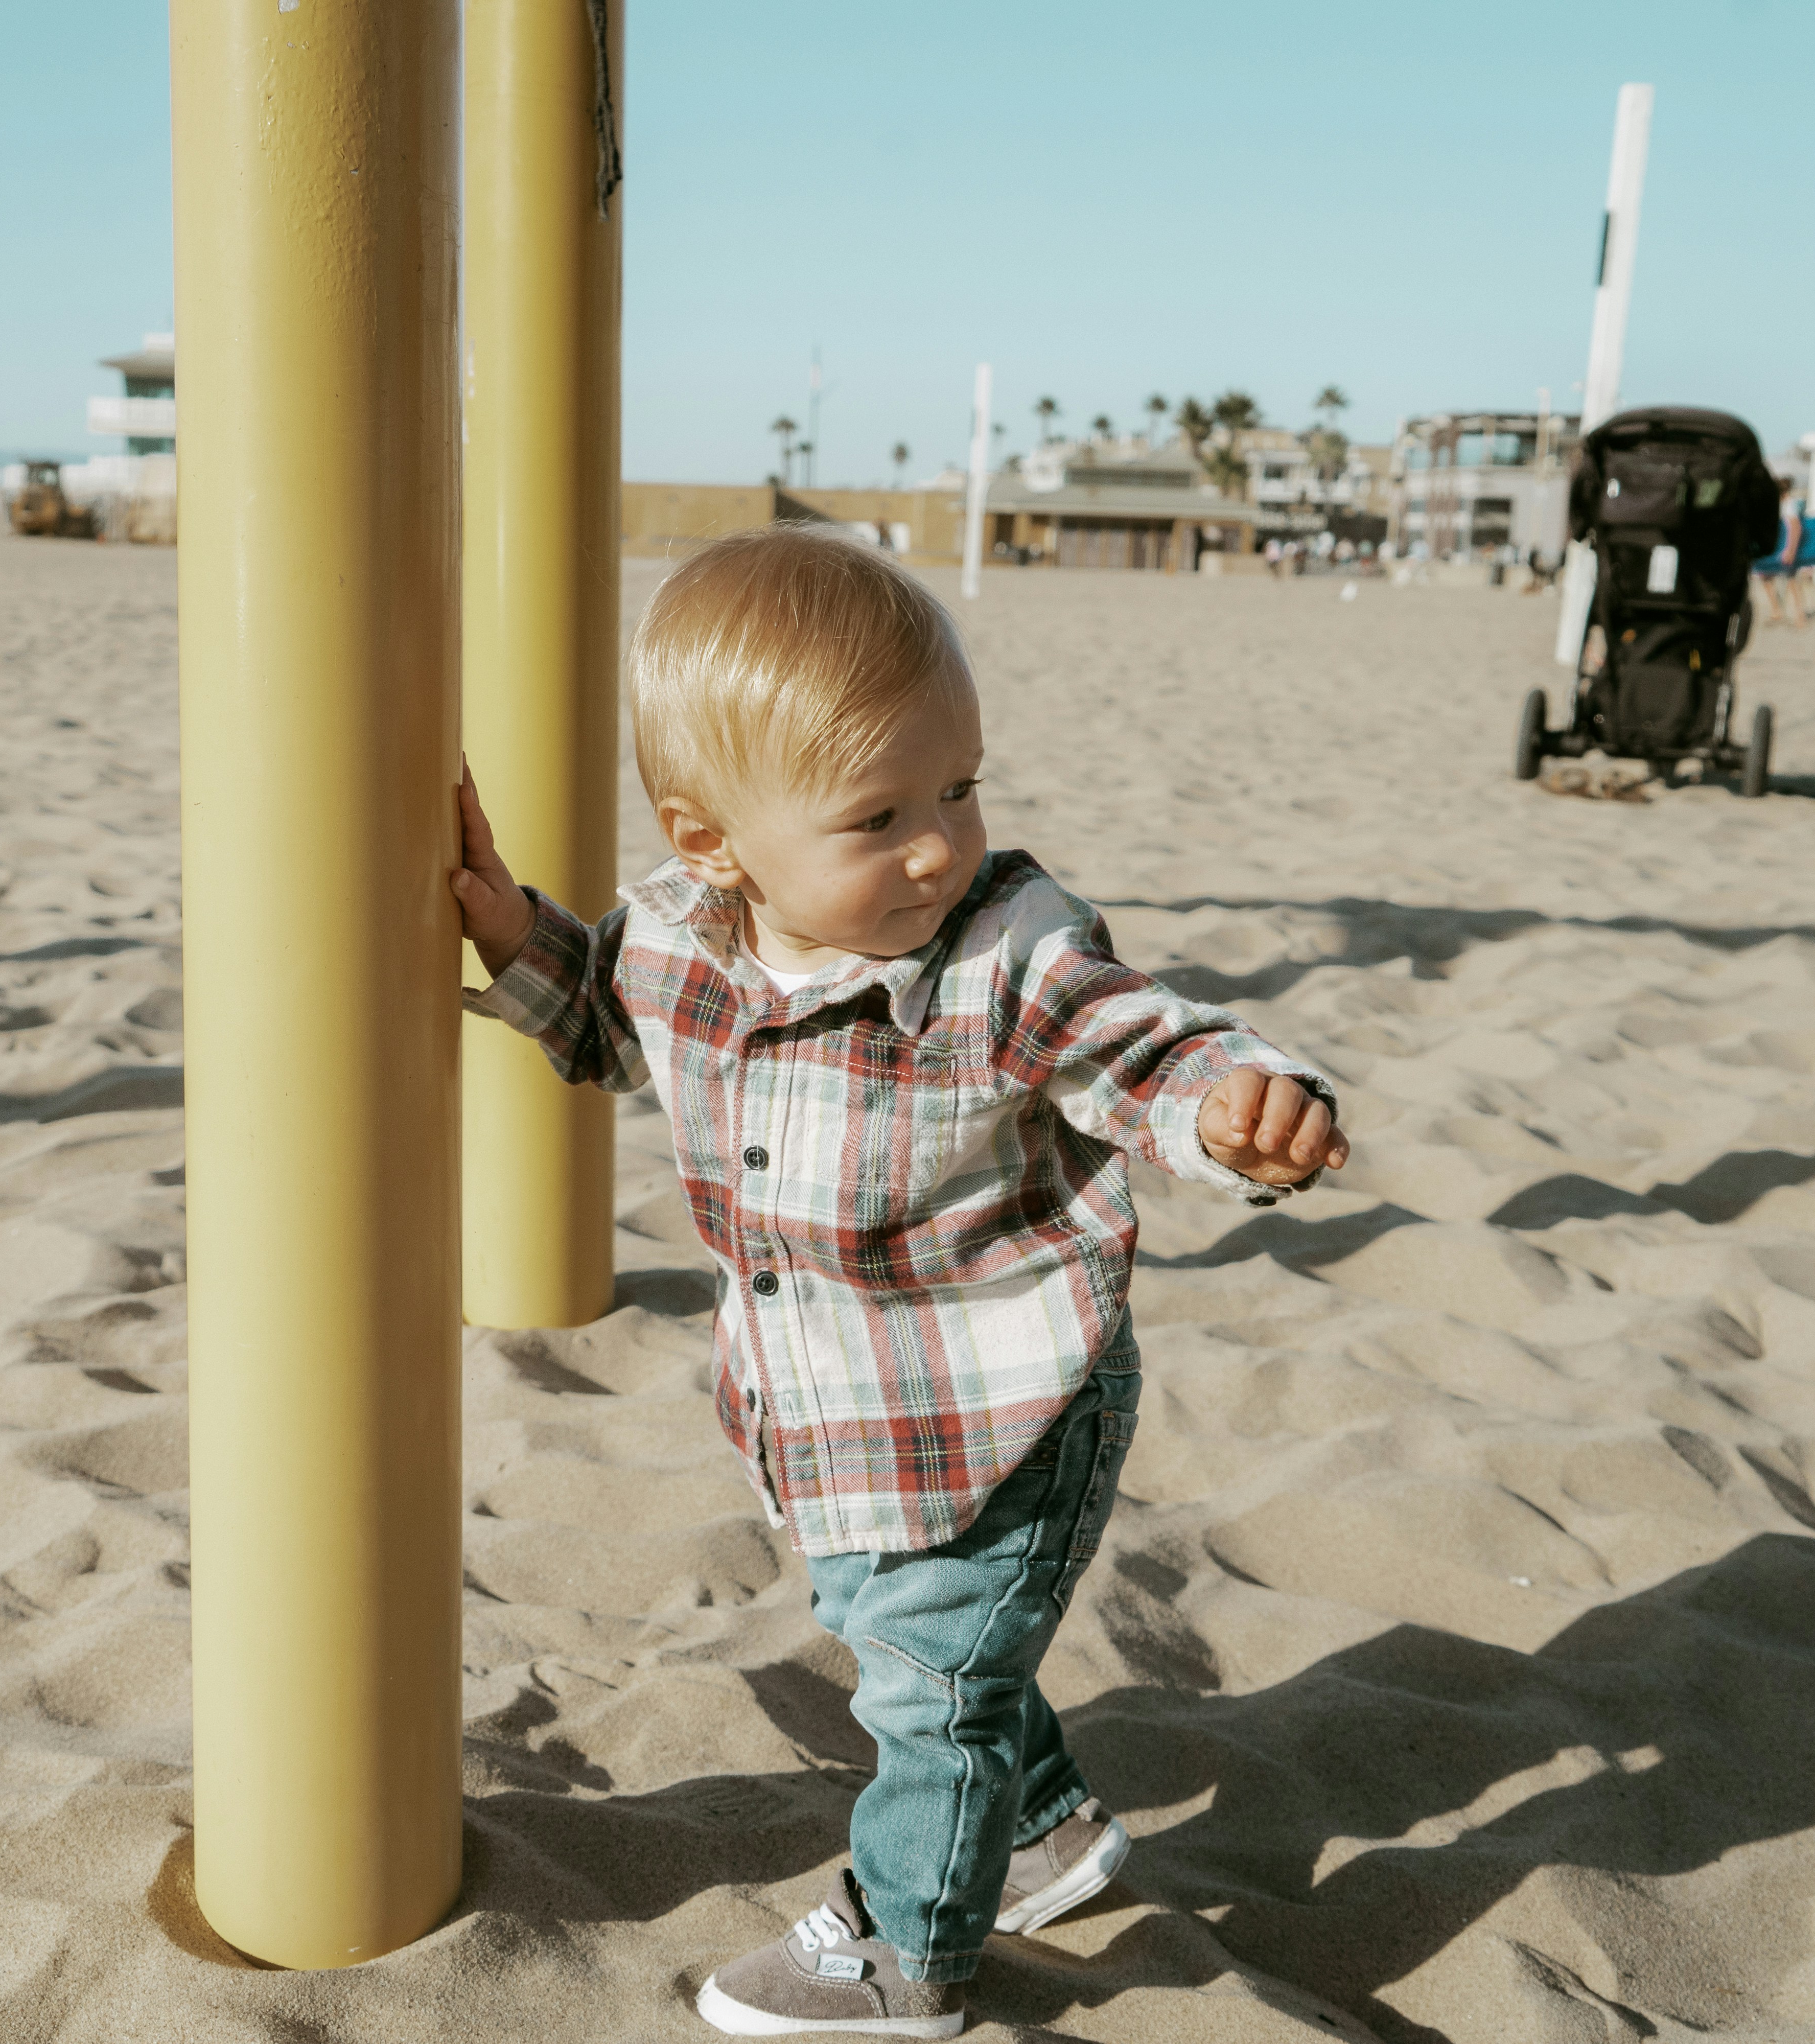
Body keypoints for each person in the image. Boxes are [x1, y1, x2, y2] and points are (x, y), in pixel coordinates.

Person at [451, 527, 1347, 2038]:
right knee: (910, 1638)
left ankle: (908, 1955)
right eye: (876, 815)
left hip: (1006, 1415)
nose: (937, 843)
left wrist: (1235, 1101)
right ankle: (1048, 1831)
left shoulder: (1003, 951)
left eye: (959, 785)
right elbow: (610, 1016)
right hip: (834, 1418)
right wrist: (512, 933)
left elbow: (1139, 1042)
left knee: (928, 1689)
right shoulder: (680, 939)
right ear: (710, 842)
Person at [1756, 478, 1806, 628]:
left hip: (1788, 550)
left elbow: (1796, 528)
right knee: (1765, 575)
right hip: (1781, 549)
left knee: (1792, 581)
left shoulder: (1789, 505)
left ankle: (1800, 617)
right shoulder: (1785, 504)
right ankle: (1777, 610)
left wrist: (1790, 551)